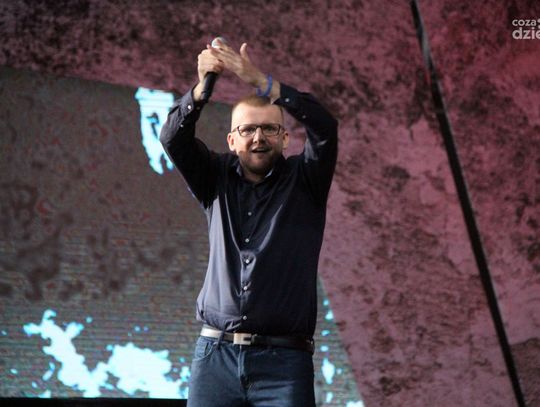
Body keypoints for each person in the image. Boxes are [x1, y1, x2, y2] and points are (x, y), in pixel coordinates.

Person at [160, 39, 338, 407]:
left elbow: (325, 127)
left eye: (269, 129)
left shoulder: (305, 179)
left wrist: (261, 81)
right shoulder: (214, 177)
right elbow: (173, 138)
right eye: (247, 130)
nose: (258, 137)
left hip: (284, 364)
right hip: (215, 357)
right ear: (231, 140)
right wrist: (202, 89)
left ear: (285, 139)